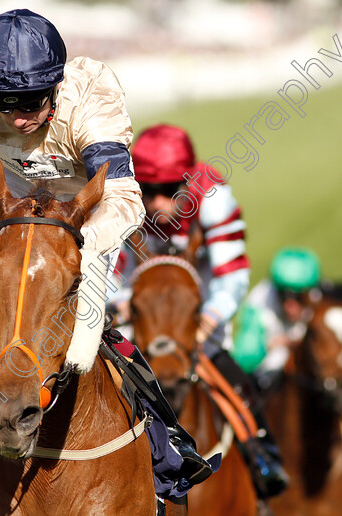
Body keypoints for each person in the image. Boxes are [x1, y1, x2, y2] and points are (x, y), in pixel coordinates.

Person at [0, 9, 212, 512]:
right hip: (10, 219)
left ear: (55, 86)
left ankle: (169, 450)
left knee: (87, 337)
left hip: (84, 222)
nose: (16, 117)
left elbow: (123, 198)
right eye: (2, 105)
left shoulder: (91, 94)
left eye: (31, 102)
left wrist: (73, 245)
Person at [113, 123, 288, 500]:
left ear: (187, 181)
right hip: (145, 321)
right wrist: (121, 302)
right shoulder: (124, 202)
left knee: (233, 378)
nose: (156, 202)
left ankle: (261, 453)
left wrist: (208, 319)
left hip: (199, 320)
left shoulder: (214, 200)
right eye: (148, 191)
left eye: (167, 190)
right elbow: (113, 272)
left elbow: (233, 275)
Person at [233, 247, 342, 410]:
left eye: (298, 297)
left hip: (320, 379)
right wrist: (272, 344)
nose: (290, 305)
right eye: (283, 296)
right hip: (271, 382)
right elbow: (241, 360)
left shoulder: (324, 302)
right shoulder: (258, 306)